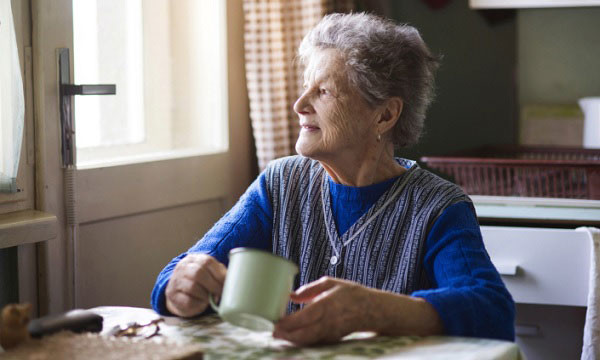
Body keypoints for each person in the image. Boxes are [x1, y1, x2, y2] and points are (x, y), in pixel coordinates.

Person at [151, 12, 515, 345]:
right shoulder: (280, 185)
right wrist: (180, 289)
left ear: (385, 116)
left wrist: (373, 310)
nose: (299, 104)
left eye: (323, 91)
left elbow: (492, 311)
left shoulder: (437, 206)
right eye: (306, 86)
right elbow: (178, 274)